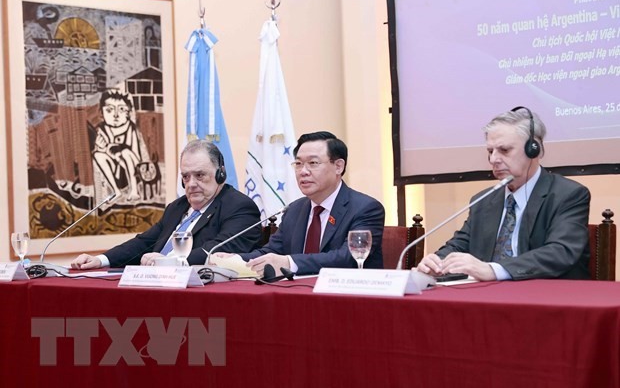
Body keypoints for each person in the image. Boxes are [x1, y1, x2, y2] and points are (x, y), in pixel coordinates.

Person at [416, 106, 591, 281]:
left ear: (533, 150)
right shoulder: (483, 201)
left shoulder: (568, 195)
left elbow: (560, 252)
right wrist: (437, 262)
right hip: (488, 298)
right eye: (490, 151)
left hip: (548, 297)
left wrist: (494, 270)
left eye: (504, 150)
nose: (493, 160)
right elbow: (460, 245)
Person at [72, 140, 261, 269]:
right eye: (186, 176)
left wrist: (168, 262)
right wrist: (100, 259)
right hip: (156, 285)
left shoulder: (239, 207)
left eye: (200, 175)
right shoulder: (177, 207)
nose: (191, 183)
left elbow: (218, 250)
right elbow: (144, 243)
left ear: (220, 173)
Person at [230, 131, 385, 276]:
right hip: (298, 296)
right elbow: (271, 252)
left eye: (313, 163)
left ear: (338, 166)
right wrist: (233, 260)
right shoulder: (294, 209)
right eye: (298, 164)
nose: (303, 171)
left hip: (348, 297)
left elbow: (348, 258)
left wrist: (290, 262)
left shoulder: (365, 208)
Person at [92, 89, 148, 201]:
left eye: (121, 110)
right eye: (109, 110)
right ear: (102, 112)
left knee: (125, 152)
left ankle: (134, 191)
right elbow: (103, 150)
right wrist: (103, 148)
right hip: (114, 169)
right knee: (98, 155)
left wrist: (119, 153)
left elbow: (136, 156)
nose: (116, 115)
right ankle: (116, 191)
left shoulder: (131, 128)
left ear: (128, 112)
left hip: (131, 167)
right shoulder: (102, 129)